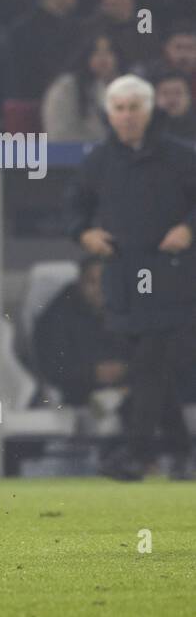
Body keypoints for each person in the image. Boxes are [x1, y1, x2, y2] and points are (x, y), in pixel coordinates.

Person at [67, 74, 196, 480]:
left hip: (173, 277)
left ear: (150, 109)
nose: (126, 117)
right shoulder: (98, 161)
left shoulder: (182, 155)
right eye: (119, 109)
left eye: (133, 108)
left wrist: (189, 228)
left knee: (148, 364)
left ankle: (137, 453)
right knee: (151, 368)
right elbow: (75, 206)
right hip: (123, 278)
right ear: (109, 113)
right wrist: (84, 233)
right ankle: (180, 450)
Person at [32, 257, 129, 407]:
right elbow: (52, 368)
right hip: (80, 393)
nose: (100, 289)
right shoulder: (56, 317)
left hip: (126, 388)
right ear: (80, 283)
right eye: (92, 282)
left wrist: (125, 369)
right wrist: (93, 373)